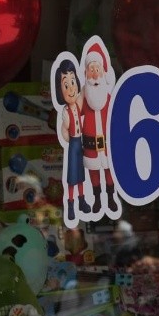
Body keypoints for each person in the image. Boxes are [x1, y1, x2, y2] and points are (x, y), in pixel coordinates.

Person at [82, 40, 120, 215]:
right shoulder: (84, 98)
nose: (95, 75)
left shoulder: (109, 99)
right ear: (86, 74)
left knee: (109, 172)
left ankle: (111, 197)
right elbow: (73, 112)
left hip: (108, 144)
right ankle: (97, 199)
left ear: (103, 73)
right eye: (92, 70)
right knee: (94, 174)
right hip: (90, 145)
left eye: (97, 70)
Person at [53, 58, 90, 221]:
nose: (70, 88)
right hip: (74, 144)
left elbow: (83, 96)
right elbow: (64, 129)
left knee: (81, 175)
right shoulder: (66, 111)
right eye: (66, 85)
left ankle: (82, 201)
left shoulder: (77, 105)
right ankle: (70, 204)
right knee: (72, 177)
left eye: (73, 81)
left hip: (81, 141)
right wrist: (69, 138)